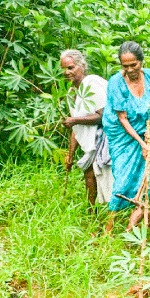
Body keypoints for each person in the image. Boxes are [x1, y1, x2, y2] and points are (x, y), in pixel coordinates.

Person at [102, 41, 150, 229]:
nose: (130, 70)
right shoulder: (116, 83)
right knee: (124, 179)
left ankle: (147, 219)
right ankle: (109, 227)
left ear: (141, 61)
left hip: (149, 130)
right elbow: (122, 118)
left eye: (134, 65)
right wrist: (142, 143)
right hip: (124, 136)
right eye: (125, 66)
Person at [60, 49, 113, 208]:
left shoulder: (91, 84)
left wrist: (74, 120)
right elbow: (75, 127)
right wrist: (70, 154)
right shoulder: (71, 93)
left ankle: (112, 213)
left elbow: (104, 115)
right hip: (89, 142)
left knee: (106, 178)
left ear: (82, 66)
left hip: (105, 138)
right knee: (88, 175)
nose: (67, 72)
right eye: (64, 69)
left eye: (71, 67)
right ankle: (92, 213)